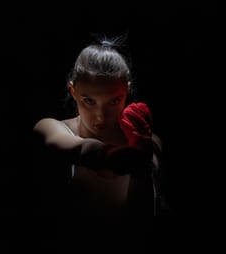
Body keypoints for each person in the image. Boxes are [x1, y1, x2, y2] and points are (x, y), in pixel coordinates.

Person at [32, 34, 164, 228]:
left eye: (114, 101)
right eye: (89, 101)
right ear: (73, 91)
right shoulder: (52, 128)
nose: (101, 116)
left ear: (126, 92)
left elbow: (142, 226)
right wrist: (113, 156)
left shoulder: (148, 142)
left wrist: (142, 167)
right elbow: (76, 148)